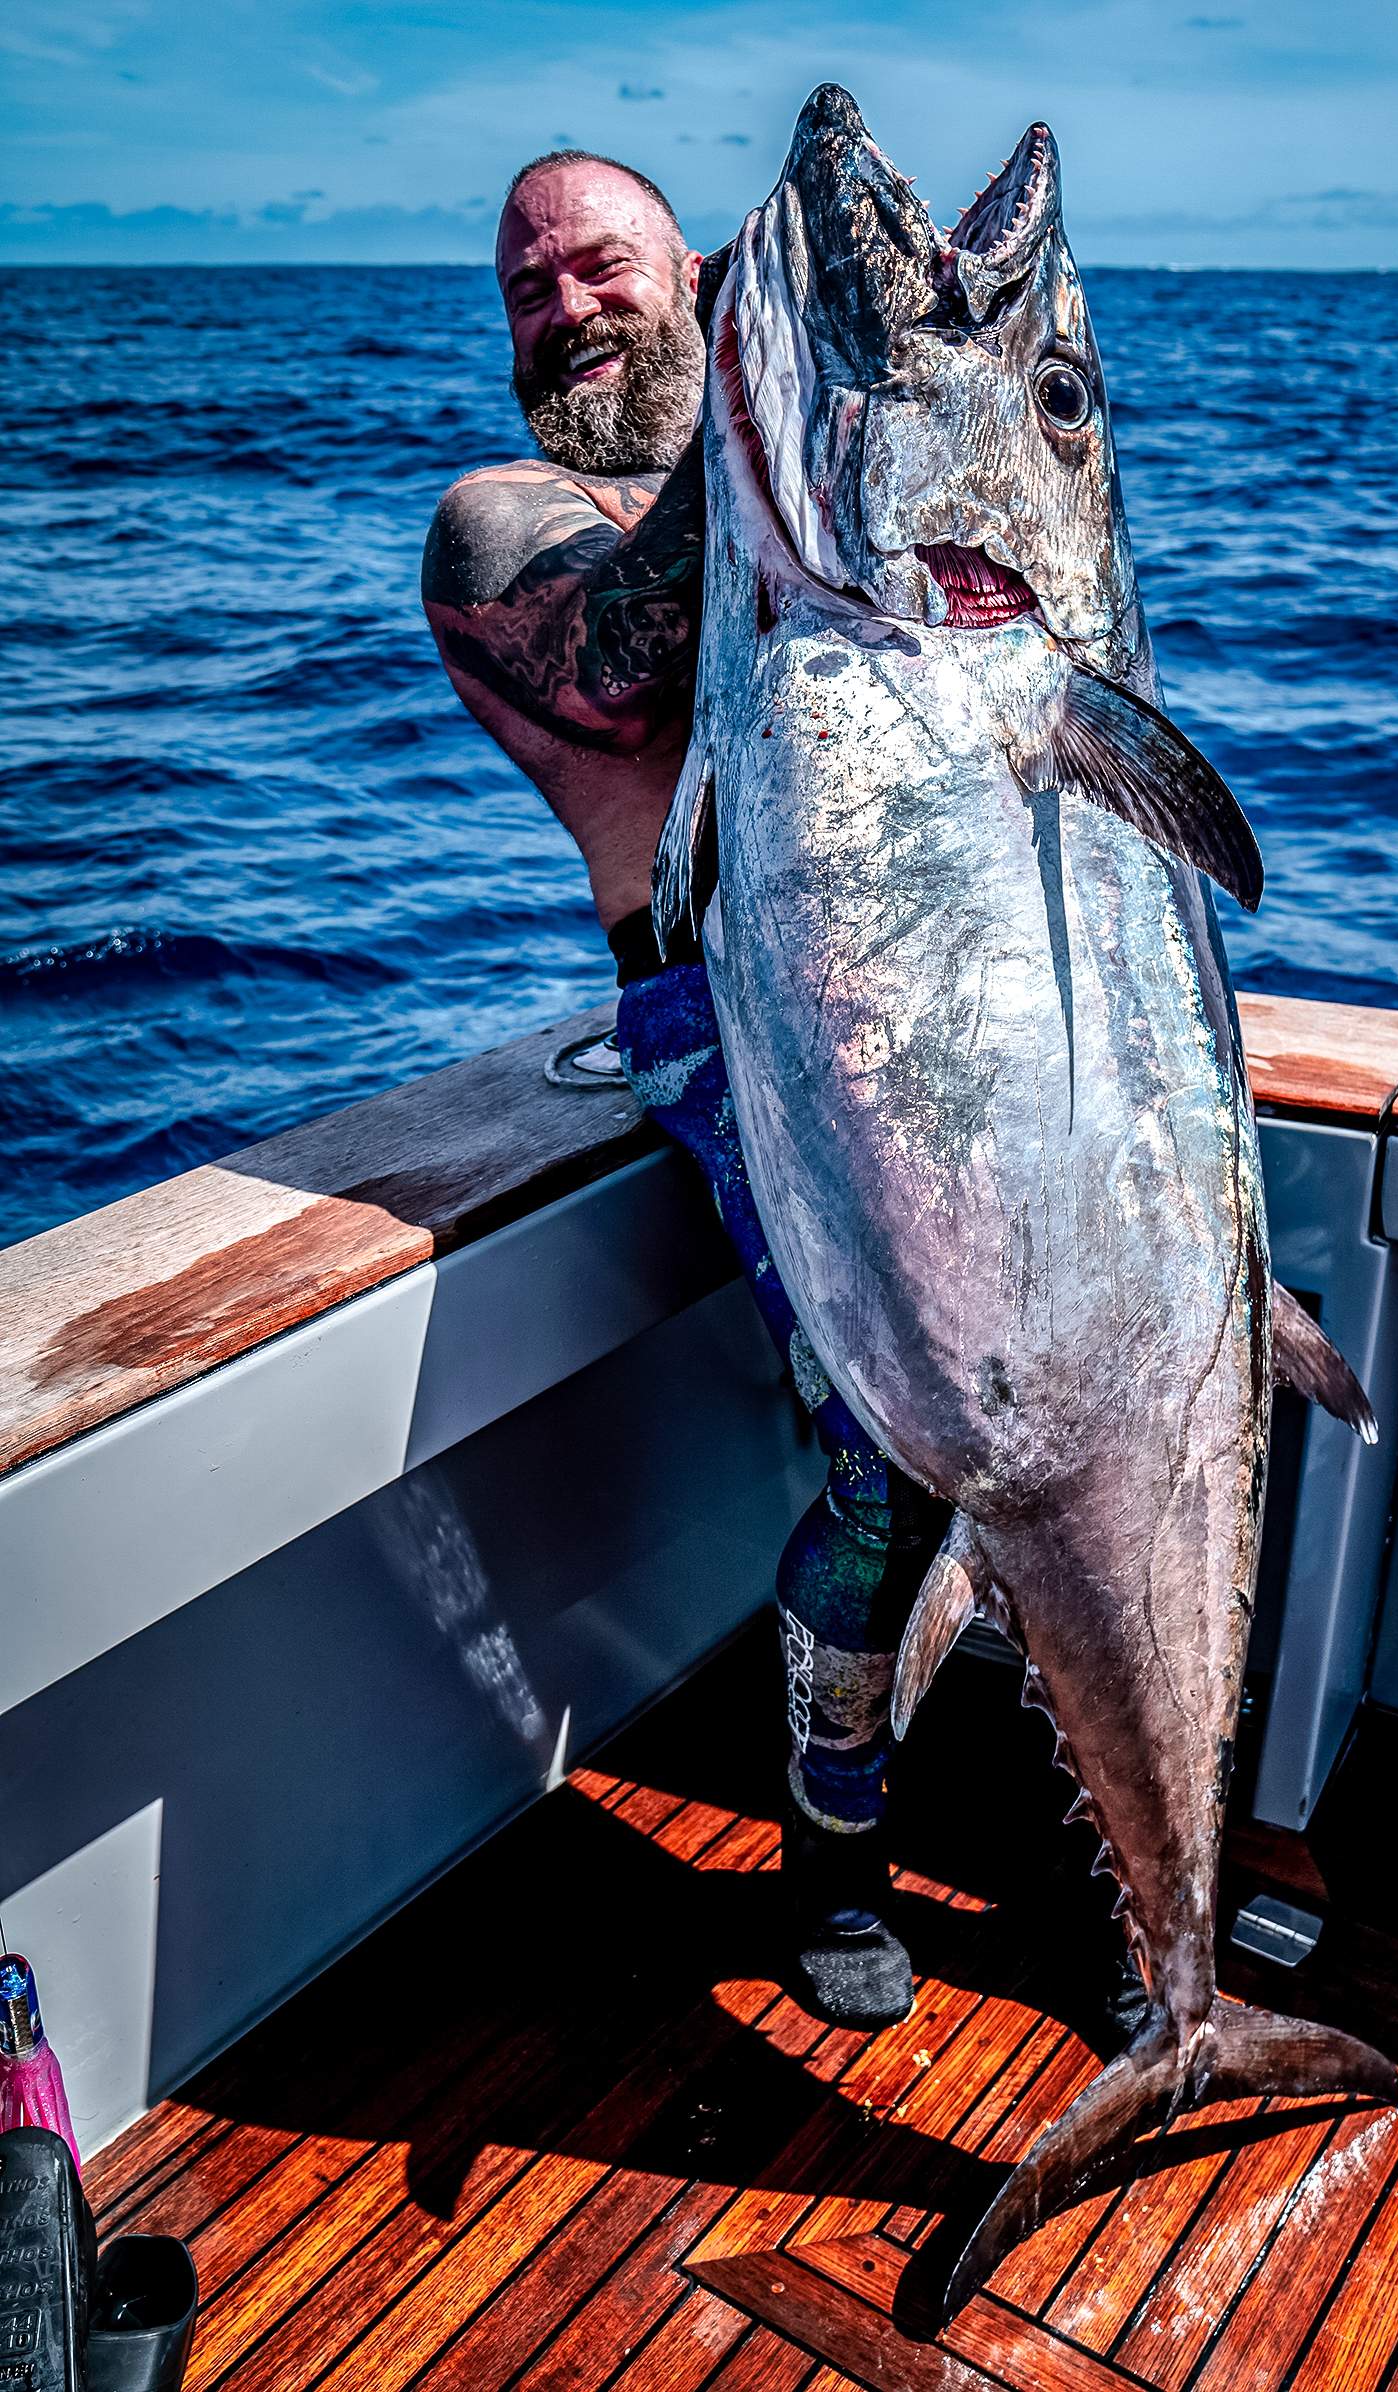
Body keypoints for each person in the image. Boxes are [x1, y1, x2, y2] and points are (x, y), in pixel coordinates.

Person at [420, 151, 947, 2030]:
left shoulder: (794, 457)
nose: (565, 311)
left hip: (917, 992)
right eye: (528, 292)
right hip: (727, 1031)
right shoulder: (499, 527)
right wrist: (767, 381)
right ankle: (835, 1857)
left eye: (597, 268)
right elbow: (630, 679)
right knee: (890, 1465)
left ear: (694, 271)